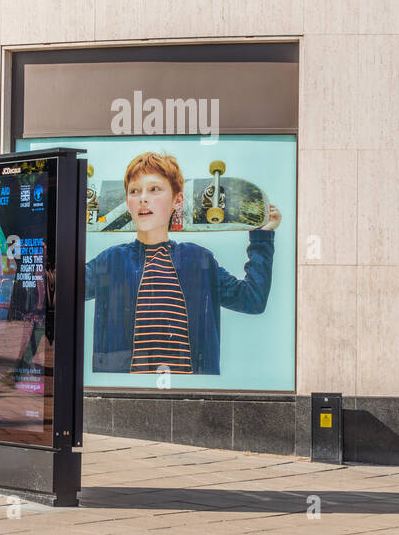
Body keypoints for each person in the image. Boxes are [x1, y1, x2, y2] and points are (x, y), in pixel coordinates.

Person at [86, 152, 279, 376]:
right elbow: (60, 292)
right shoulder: (110, 261)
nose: (143, 198)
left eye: (154, 189)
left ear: (178, 200)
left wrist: (262, 238)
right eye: (134, 191)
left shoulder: (199, 261)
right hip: (126, 394)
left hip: (188, 394)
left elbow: (252, 300)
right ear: (127, 202)